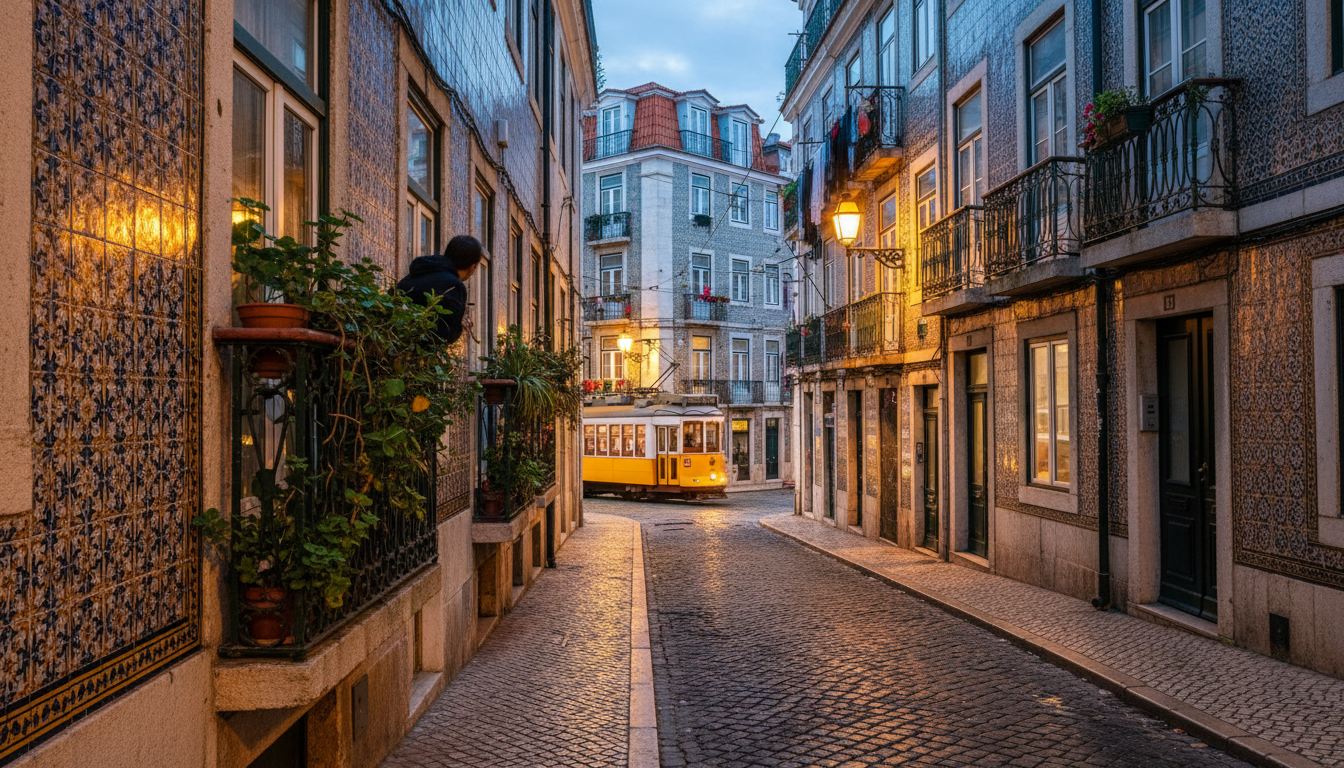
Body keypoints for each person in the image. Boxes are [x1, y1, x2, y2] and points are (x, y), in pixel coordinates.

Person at [396, 235, 482, 344]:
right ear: (472, 266)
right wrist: (459, 322)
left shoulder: (420, 272)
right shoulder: (455, 286)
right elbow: (446, 334)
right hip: (413, 349)